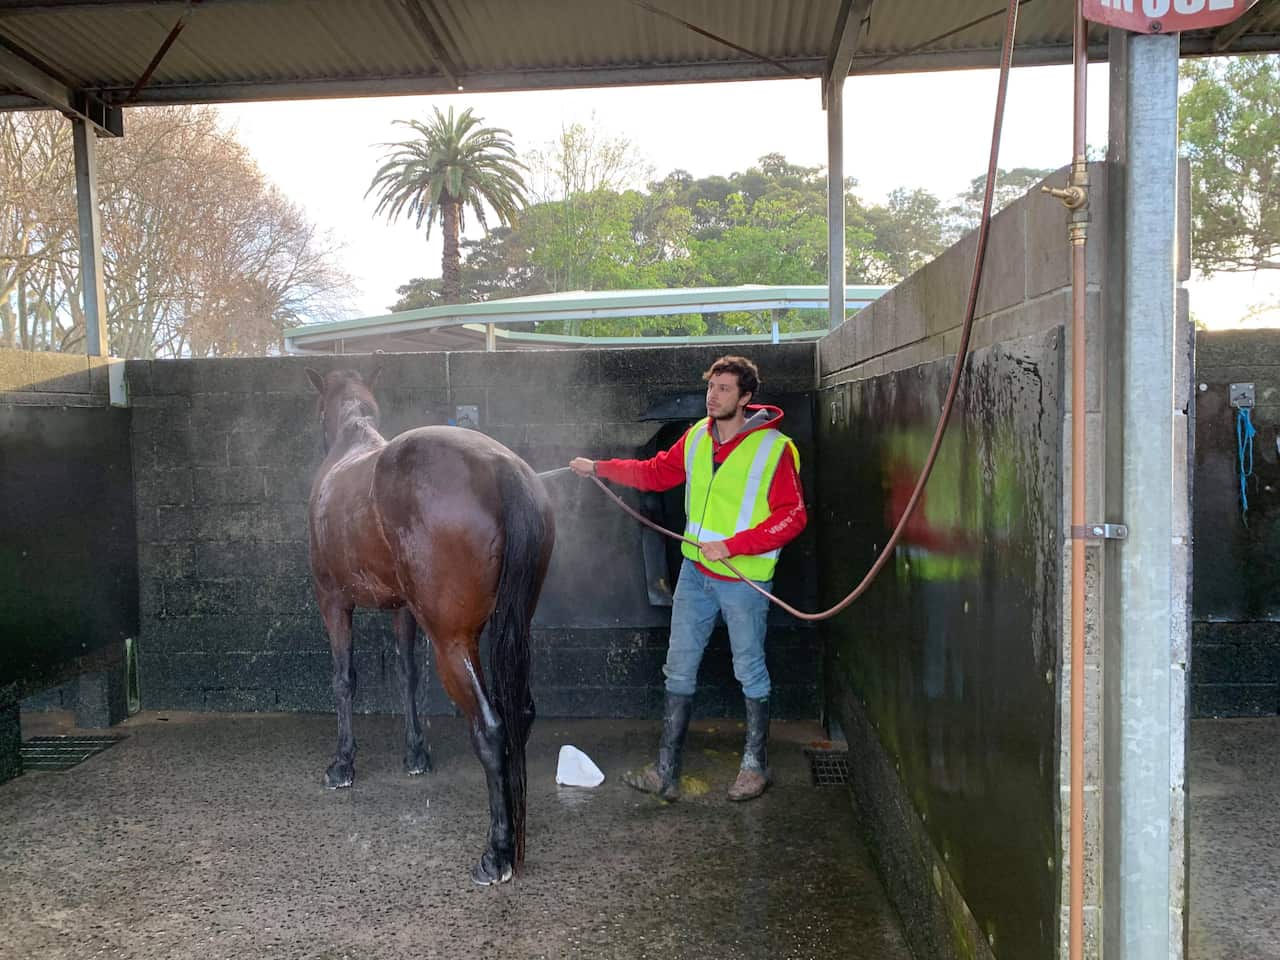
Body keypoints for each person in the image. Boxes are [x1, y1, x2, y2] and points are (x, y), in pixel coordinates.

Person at [569, 355, 807, 802]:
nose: (712, 396)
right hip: (696, 576)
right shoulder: (697, 437)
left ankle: (756, 767)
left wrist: (734, 545)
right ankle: (666, 772)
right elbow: (655, 472)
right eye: (711, 387)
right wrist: (599, 468)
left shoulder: (774, 449)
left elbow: (793, 517)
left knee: (749, 669)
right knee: (678, 668)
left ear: (746, 397)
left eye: (723, 389)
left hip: (744, 579)